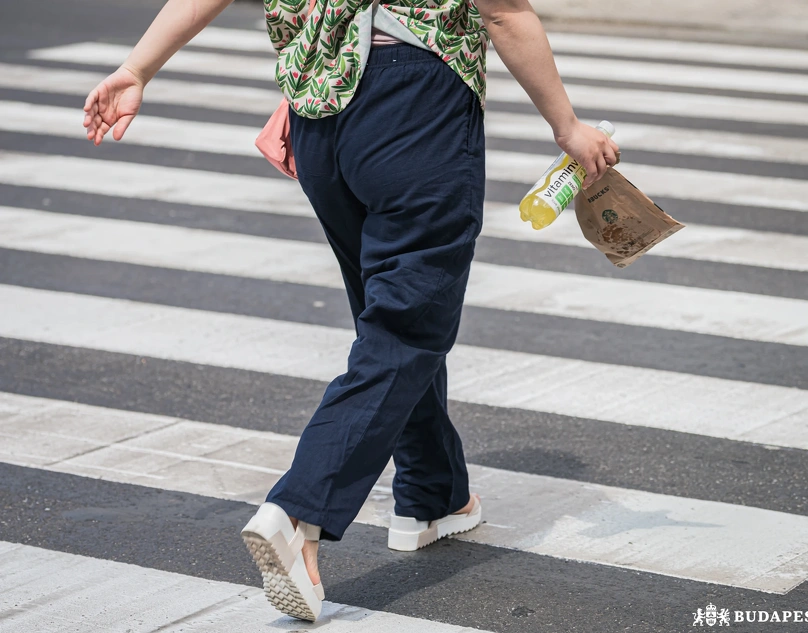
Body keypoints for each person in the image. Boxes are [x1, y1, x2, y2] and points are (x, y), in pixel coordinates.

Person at [83, 0, 620, 622]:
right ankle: (299, 510)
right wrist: (567, 126)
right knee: (405, 327)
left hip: (320, 114)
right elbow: (503, 13)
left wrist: (137, 69)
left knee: (391, 313)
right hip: (414, 105)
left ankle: (432, 495)